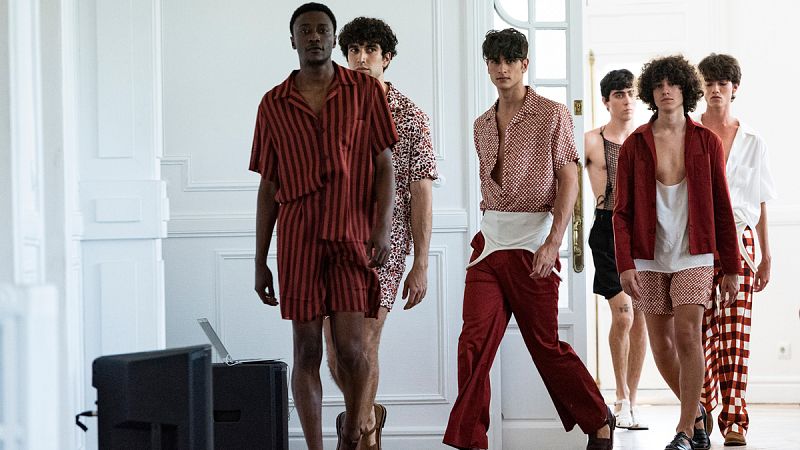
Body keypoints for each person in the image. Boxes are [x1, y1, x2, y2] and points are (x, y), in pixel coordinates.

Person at [443, 28, 614, 450]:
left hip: (534, 241)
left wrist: (553, 242)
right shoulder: (482, 124)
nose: (502, 68)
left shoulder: (552, 114)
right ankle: (471, 441)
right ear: (487, 66)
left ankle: (598, 418)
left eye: (510, 60)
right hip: (489, 245)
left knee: (545, 345)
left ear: (525, 64)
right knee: (472, 344)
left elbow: (569, 177)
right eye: (494, 61)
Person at [249, 4, 398, 449]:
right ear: (292, 40)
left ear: (333, 39)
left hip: (351, 234)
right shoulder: (273, 103)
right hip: (298, 239)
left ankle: (352, 431)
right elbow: (268, 186)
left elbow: (385, 164)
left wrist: (382, 227)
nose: (314, 36)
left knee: (353, 349)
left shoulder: (364, 91)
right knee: (307, 350)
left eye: (322, 30)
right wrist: (259, 260)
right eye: (305, 30)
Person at [322, 16, 438, 450]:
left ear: (386, 58)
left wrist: (421, 262)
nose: (361, 58)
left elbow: (421, 190)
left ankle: (356, 437)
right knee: (336, 350)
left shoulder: (410, 116)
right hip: (333, 239)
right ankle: (368, 419)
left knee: (365, 341)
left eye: (371, 50)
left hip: (385, 244)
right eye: (354, 50)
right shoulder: (328, 109)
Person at [613, 55, 739, 450]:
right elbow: (621, 212)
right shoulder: (634, 144)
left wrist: (731, 266)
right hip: (648, 255)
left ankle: (684, 429)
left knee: (687, 335)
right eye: (658, 85)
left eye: (673, 84)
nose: (666, 91)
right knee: (661, 344)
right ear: (651, 93)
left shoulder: (706, 141)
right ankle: (698, 413)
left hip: (695, 252)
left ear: (686, 90)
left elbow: (722, 206)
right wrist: (625, 264)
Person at [696, 53, 777, 447]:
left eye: (722, 84)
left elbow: (760, 201)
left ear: (734, 89)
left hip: (741, 243)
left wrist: (766, 255)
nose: (715, 90)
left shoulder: (752, 141)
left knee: (735, 338)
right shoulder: (689, 134)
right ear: (701, 87)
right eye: (709, 83)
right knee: (696, 334)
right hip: (695, 242)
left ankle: (735, 421)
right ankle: (699, 413)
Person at [585, 69, 648, 431]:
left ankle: (632, 401)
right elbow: (561, 176)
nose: (626, 101)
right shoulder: (591, 141)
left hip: (642, 232)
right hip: (606, 227)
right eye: (619, 95)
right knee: (623, 315)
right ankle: (620, 397)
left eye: (630, 94)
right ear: (606, 101)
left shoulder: (645, 139)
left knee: (641, 317)